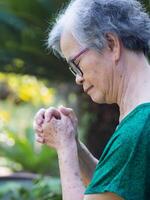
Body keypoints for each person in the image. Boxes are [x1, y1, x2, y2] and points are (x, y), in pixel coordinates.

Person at [33, 0, 150, 199]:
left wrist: (64, 148)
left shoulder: (138, 129)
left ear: (111, 44)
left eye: (77, 64)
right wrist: (74, 145)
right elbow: (113, 190)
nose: (78, 78)